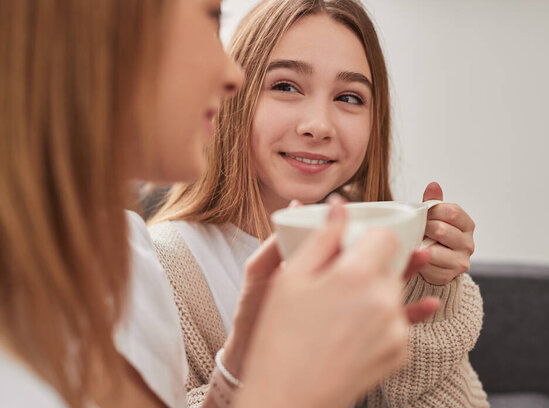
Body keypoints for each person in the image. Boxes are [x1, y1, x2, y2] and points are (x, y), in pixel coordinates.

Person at [0, 1, 437, 407]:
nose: (232, 76)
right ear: (106, 35)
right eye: (211, 20)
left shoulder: (126, 253)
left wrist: (235, 373)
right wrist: (279, 389)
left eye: (349, 97)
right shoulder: (158, 263)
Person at [150, 0, 489, 407]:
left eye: (349, 97)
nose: (318, 126)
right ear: (233, 94)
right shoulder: (160, 266)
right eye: (286, 87)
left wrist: (427, 291)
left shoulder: (379, 246)